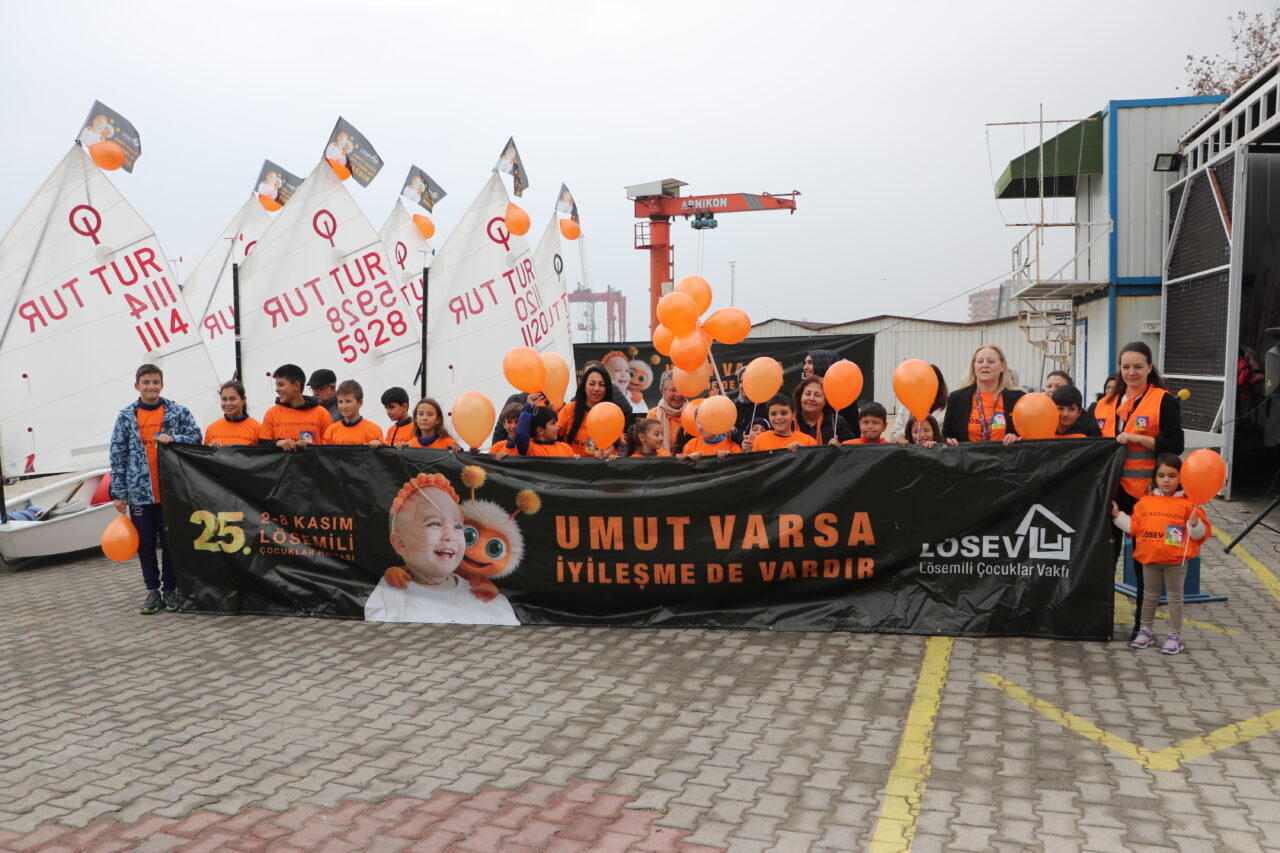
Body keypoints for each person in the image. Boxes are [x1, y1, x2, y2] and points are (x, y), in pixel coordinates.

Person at [1093, 341, 1185, 639]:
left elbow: (1176, 444)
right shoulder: (1105, 403)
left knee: (1143, 561)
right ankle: (1099, 621)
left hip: (1144, 493)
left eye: (1138, 366)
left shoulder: (1162, 400)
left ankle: (1141, 626)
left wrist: (1137, 438)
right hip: (1110, 492)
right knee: (1104, 558)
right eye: (1126, 367)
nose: (1131, 372)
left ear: (1149, 368)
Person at [363, 473, 519, 625]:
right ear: (401, 544)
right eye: (435, 524)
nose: (449, 536)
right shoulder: (392, 594)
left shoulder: (482, 596)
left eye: (458, 526)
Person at [109, 364, 202, 614]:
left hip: (171, 493)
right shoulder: (126, 416)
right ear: (137, 386)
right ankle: (152, 591)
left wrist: (175, 439)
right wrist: (119, 493)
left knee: (171, 544)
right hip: (139, 494)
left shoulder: (178, 412)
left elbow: (196, 437)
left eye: (156, 382)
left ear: (162, 384)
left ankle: (170, 589)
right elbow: (118, 455)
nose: (151, 386)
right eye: (146, 382)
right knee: (145, 544)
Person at [1111, 454, 1210, 655]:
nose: (1166, 480)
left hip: (1176, 561)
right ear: (1154, 478)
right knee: (1149, 597)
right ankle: (1145, 631)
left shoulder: (1189, 504)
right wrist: (1117, 515)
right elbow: (1133, 527)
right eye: (1161, 475)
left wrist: (1196, 524)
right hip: (1150, 559)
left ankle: (1175, 636)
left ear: (1181, 478)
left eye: (1172, 476)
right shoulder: (1145, 502)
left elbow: (1200, 535)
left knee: (1175, 598)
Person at [942, 345, 1025, 446]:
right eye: (980, 361)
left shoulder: (1019, 399)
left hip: (1006, 455)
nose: (985, 365)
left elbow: (1029, 438)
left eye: (991, 361)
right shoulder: (956, 398)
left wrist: (1018, 438)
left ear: (1002, 366)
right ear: (974, 366)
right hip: (968, 456)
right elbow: (945, 436)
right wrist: (949, 441)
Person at [260, 364, 332, 451]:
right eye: (276, 385)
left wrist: (311, 447)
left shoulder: (321, 413)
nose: (277, 389)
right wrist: (278, 443)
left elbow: (331, 448)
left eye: (281, 385)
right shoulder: (272, 413)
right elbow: (262, 445)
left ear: (296, 385)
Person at [559, 365, 617, 457]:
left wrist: (612, 452)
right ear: (584, 385)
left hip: (601, 464)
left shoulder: (613, 413)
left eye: (602, 385)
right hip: (572, 464)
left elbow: (621, 446)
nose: (596, 389)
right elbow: (553, 437)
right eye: (592, 384)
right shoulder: (569, 409)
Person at [891, 364, 947, 443]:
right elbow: (893, 438)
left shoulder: (948, 407)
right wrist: (911, 426)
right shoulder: (906, 406)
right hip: (911, 450)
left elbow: (950, 438)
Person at [743, 394, 817, 452]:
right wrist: (746, 453)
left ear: (793, 415)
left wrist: (804, 452)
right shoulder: (759, 440)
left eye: (784, 413)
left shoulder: (808, 442)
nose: (778, 417)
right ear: (768, 416)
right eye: (773, 414)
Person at [794, 376, 856, 445]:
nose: (811, 398)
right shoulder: (790, 420)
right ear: (800, 397)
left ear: (826, 400)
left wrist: (835, 448)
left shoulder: (837, 422)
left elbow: (851, 449)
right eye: (808, 394)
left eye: (817, 395)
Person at [323, 380, 384, 446]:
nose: (343, 406)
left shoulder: (373, 430)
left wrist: (379, 445)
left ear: (360, 403)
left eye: (348, 401)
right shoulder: (331, 431)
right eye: (340, 402)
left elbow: (384, 450)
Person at [204, 380, 262, 448]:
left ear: (243, 400)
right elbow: (203, 453)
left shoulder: (258, 429)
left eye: (232, 399)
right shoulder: (211, 429)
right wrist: (209, 448)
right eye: (224, 399)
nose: (228, 403)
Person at [646, 371, 689, 454]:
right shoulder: (653, 414)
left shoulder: (693, 412)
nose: (678, 394)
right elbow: (650, 446)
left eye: (681, 389)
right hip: (663, 459)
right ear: (662, 390)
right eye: (673, 390)